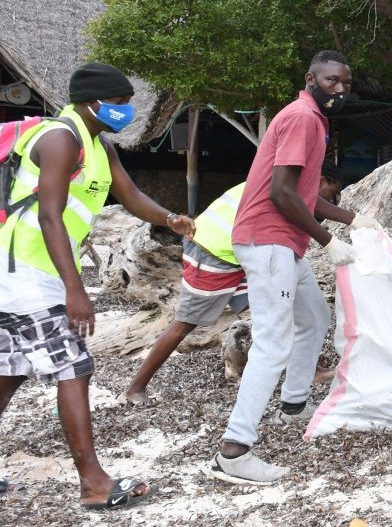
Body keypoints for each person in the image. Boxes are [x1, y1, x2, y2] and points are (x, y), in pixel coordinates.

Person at [0, 63, 195, 509]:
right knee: (73, 366)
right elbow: (50, 214)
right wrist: (76, 289)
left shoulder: (98, 144)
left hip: (33, 269)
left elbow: (128, 194)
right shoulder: (60, 139)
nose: (126, 110)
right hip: (26, 269)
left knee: (9, 371)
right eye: (121, 102)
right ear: (93, 101)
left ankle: (93, 480)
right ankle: (94, 483)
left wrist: (169, 219)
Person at [209, 51, 381, 486]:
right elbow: (281, 193)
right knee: (271, 343)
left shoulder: (313, 120)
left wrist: (351, 219)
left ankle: (294, 404)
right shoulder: (303, 117)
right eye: (331, 81)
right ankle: (234, 450)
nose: (339, 90)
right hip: (268, 241)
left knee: (314, 316)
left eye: (345, 83)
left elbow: (303, 194)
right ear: (311, 78)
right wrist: (328, 242)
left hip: (285, 244)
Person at [119, 161, 346, 405]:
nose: (333, 202)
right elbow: (310, 207)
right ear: (320, 180)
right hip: (214, 253)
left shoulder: (286, 183)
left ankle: (308, 371)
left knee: (283, 312)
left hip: (243, 256)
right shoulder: (287, 189)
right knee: (185, 323)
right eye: (333, 194)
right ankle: (135, 388)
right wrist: (347, 222)